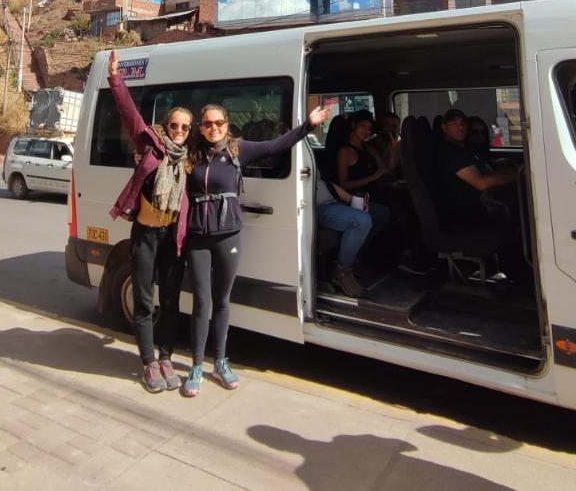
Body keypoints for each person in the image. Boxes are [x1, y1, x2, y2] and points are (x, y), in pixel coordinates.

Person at [180, 99, 328, 397]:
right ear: (201, 127)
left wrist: (307, 126)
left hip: (228, 235)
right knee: (201, 301)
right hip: (197, 237)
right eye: (207, 124)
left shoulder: (238, 149)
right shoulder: (191, 154)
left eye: (218, 123)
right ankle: (196, 366)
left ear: (227, 123)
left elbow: (276, 146)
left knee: (222, 301)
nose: (213, 128)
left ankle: (220, 362)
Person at [105, 49, 192, 394]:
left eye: (185, 127)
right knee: (144, 301)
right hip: (145, 235)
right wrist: (115, 78)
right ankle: (148, 363)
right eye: (175, 125)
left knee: (171, 301)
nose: (180, 131)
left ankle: (166, 356)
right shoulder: (152, 145)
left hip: (173, 236)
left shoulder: (189, 159)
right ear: (165, 127)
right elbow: (129, 113)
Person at [318, 111, 391, 297]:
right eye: (362, 126)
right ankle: (342, 270)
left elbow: (331, 186)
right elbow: (341, 184)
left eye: (369, 128)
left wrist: (393, 146)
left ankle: (354, 256)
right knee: (362, 220)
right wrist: (369, 181)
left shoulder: (368, 149)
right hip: (320, 205)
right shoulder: (343, 152)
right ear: (353, 127)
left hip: (341, 199)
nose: (366, 131)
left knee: (382, 213)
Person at [436, 108, 518, 226]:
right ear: (444, 128)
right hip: (468, 212)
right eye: (454, 124)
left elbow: (487, 172)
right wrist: (515, 176)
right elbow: (481, 183)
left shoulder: (464, 150)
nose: (460, 127)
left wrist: (511, 172)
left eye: (462, 124)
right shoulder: (450, 153)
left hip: (479, 203)